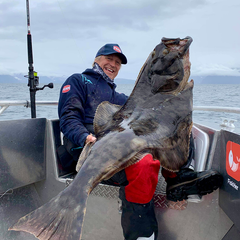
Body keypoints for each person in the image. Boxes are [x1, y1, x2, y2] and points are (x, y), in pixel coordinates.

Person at [58, 43, 223, 240]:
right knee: (144, 164)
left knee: (172, 128)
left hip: (119, 146)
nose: (113, 64)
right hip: (87, 147)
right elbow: (68, 117)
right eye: (109, 59)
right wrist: (85, 137)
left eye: (118, 62)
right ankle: (140, 234)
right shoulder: (78, 81)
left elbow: (145, 108)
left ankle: (178, 179)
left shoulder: (118, 97)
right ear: (96, 59)